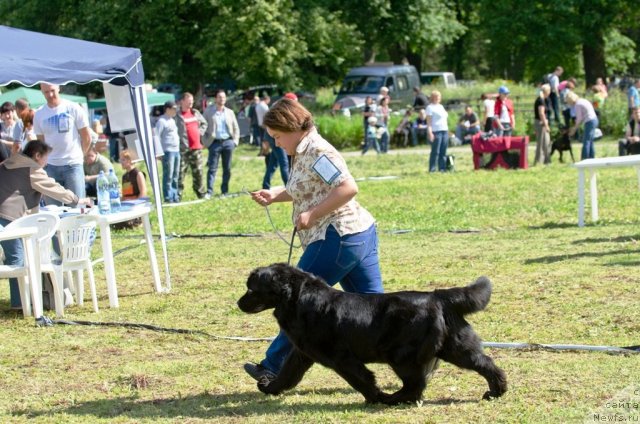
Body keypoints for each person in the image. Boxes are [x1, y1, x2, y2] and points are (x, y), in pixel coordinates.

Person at [244, 98, 385, 383]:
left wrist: (312, 214)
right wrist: (276, 195)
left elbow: (348, 188)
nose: (277, 143)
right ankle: (419, 353)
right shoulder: (304, 150)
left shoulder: (319, 151)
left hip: (337, 237)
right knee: (377, 312)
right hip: (358, 236)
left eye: (277, 137)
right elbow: (308, 187)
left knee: (295, 301)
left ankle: (273, 366)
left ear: (291, 127)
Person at [0, 139, 89, 310]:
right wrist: (77, 200)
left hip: (5, 216)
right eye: (46, 158)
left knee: (15, 257)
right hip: (9, 217)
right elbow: (54, 188)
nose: (46, 162)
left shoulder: (8, 163)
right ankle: (21, 303)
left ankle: (21, 301)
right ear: (37, 155)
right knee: (18, 259)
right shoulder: (31, 168)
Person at [33, 83, 91, 202]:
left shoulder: (73, 108)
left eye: (52, 90)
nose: (50, 94)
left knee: (78, 206)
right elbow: (40, 143)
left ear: (59, 87)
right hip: (50, 167)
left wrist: (80, 156)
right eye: (46, 92)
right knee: (53, 211)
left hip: (73, 165)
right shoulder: (39, 114)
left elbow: (87, 137)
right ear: (41, 91)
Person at [203, 90, 240, 197]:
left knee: (227, 168)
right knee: (212, 168)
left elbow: (236, 127)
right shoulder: (209, 111)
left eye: (223, 97)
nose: (222, 99)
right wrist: (205, 142)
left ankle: (225, 191)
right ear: (216, 99)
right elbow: (202, 126)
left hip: (228, 142)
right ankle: (209, 191)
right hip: (214, 143)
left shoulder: (230, 112)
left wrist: (235, 142)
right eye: (220, 97)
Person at [176, 92, 208, 200]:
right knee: (180, 173)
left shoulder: (195, 113)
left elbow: (204, 123)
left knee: (198, 172)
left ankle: (201, 194)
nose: (191, 103)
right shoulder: (177, 115)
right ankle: (178, 195)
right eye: (189, 101)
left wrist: (199, 132)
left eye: (192, 101)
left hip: (196, 148)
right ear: (182, 101)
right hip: (183, 149)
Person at [154, 100, 181, 203]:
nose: (175, 111)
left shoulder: (172, 120)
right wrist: (158, 152)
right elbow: (156, 137)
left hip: (176, 150)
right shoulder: (161, 121)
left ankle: (175, 196)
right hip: (167, 151)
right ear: (167, 109)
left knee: (175, 174)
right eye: (173, 109)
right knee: (168, 175)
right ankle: (168, 196)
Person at [566, 91, 598, 160]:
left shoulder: (578, 104)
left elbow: (579, 119)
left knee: (586, 141)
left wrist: (574, 129)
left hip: (589, 121)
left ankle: (584, 158)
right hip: (594, 119)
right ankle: (591, 157)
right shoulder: (582, 100)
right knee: (590, 140)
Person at [426, 90, 449, 172]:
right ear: (432, 98)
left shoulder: (441, 106)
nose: (437, 98)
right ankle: (432, 168)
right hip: (436, 131)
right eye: (436, 96)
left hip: (444, 130)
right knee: (436, 151)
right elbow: (429, 122)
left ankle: (442, 168)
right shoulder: (430, 108)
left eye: (439, 96)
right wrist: (430, 132)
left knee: (443, 150)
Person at [533, 84, 552, 165]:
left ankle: (547, 160)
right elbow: (541, 113)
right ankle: (538, 161)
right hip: (541, 123)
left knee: (546, 142)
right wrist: (546, 125)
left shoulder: (544, 99)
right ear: (547, 91)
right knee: (541, 142)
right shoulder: (540, 100)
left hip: (543, 122)